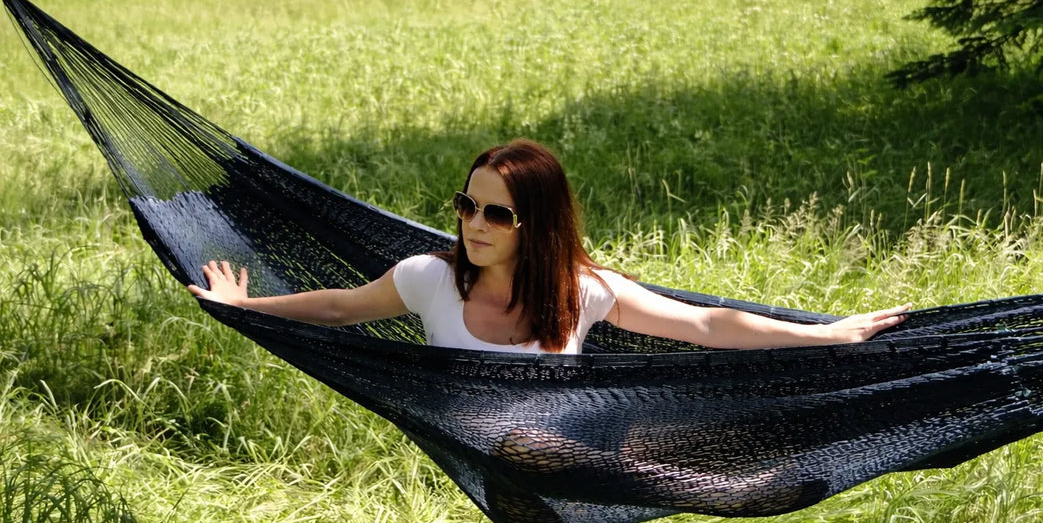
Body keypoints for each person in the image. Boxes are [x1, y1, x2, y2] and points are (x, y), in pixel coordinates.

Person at [188, 139, 910, 352]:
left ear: (534, 226)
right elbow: (345, 309)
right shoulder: (427, 278)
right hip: (481, 452)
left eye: (497, 215)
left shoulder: (582, 290)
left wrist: (827, 335)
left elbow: (705, 324)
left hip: (561, 460)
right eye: (468, 205)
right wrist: (251, 308)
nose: (474, 224)